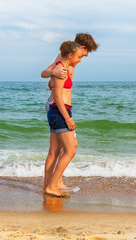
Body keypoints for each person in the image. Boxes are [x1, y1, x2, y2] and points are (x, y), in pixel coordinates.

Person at [41, 33, 98, 195]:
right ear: (82, 48)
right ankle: (52, 185)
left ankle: (53, 184)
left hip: (59, 107)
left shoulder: (69, 60)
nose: (85, 56)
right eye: (86, 52)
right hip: (58, 107)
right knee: (70, 148)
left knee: (57, 150)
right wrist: (55, 73)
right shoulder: (63, 61)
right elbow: (45, 73)